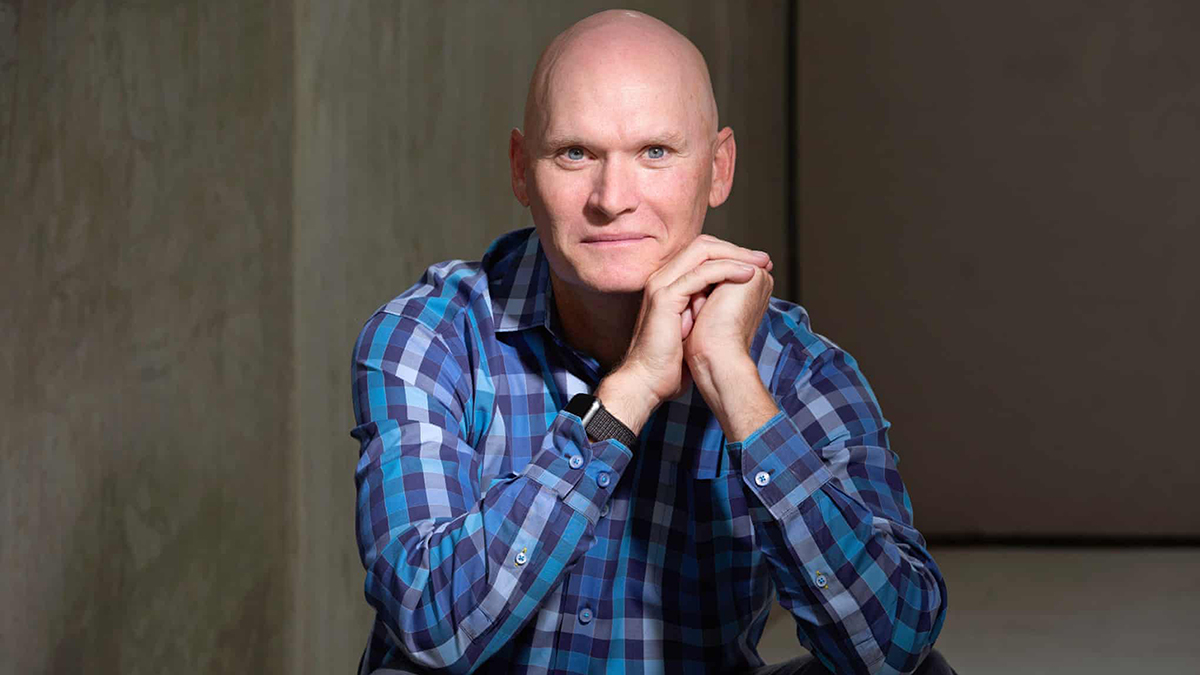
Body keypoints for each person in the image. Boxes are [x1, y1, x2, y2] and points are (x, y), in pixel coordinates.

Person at [350, 9, 952, 675]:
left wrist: (735, 385)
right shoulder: (430, 335)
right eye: (575, 153)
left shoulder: (799, 369)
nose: (612, 197)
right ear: (522, 169)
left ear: (718, 169)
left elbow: (892, 642)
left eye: (655, 153)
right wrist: (631, 390)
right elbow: (432, 621)